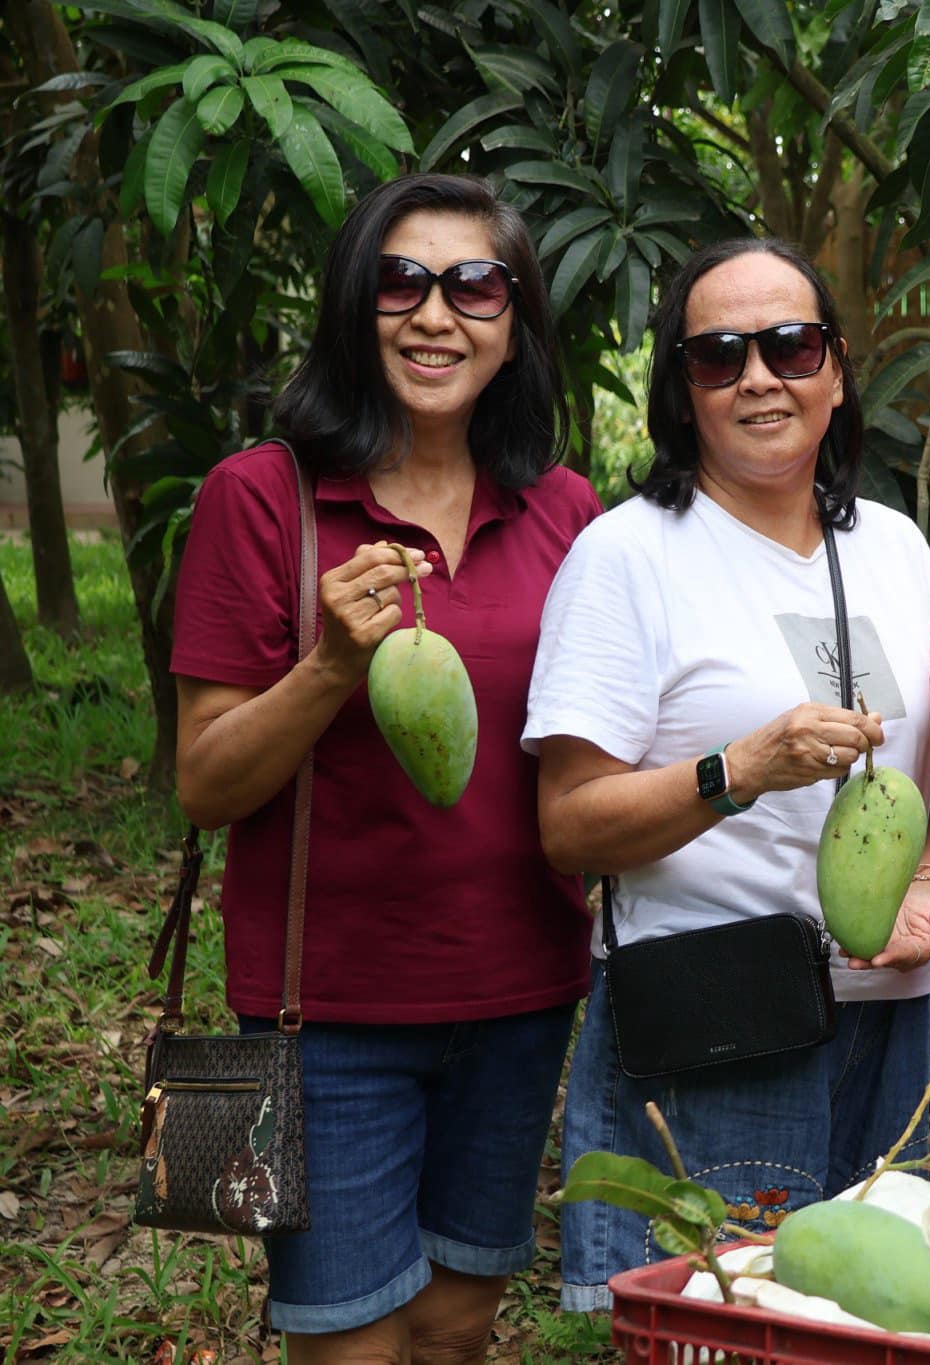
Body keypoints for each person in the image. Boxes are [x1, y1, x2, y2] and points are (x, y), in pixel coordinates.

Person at [171, 173, 599, 1363]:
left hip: (521, 994)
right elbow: (204, 785)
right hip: (330, 1015)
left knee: (458, 1326)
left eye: (474, 285)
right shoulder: (262, 499)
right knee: (349, 1344)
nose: (433, 314)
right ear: (355, 308)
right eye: (399, 282)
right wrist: (326, 667)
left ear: (515, 326)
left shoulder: (566, 511)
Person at [525, 236, 930, 1312]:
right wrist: (741, 769)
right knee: (718, 1330)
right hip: (717, 1027)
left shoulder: (898, 549)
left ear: (837, 365)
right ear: (682, 391)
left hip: (890, 1017)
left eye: (791, 344)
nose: (761, 376)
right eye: (719, 355)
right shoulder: (630, 556)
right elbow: (570, 828)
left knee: (880, 1322)